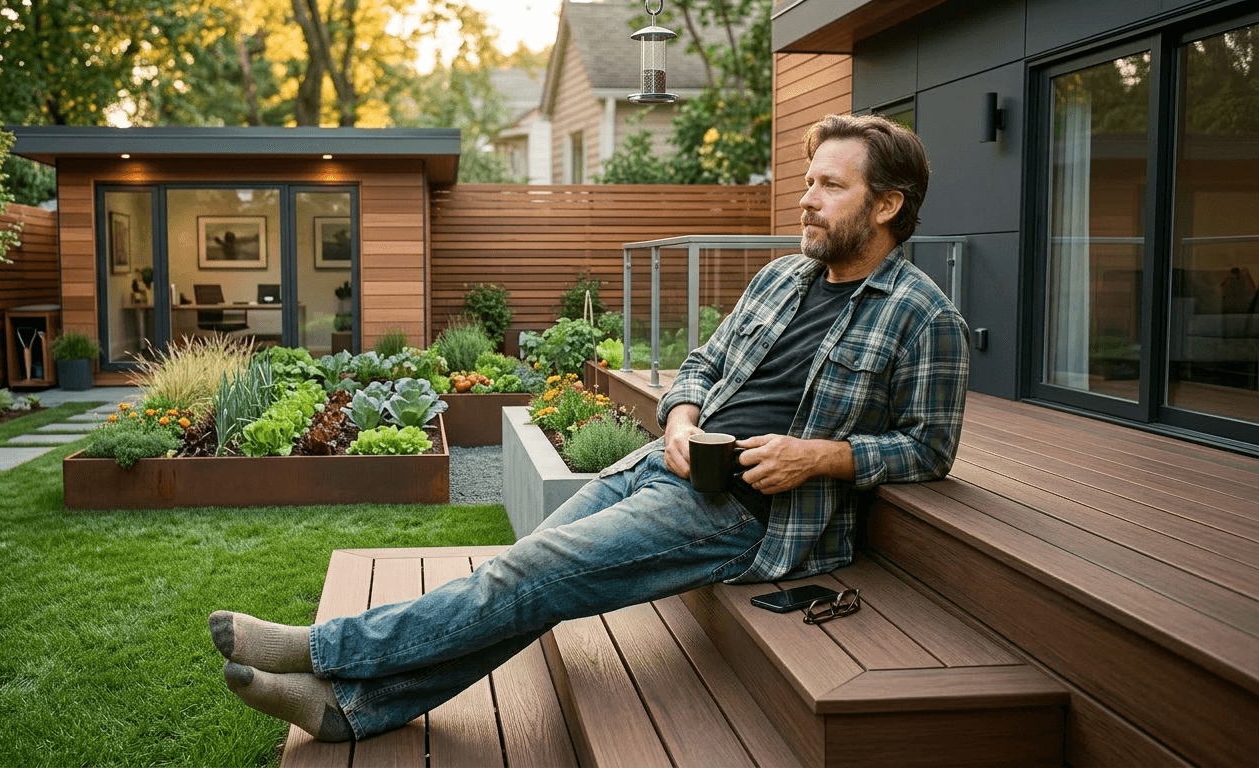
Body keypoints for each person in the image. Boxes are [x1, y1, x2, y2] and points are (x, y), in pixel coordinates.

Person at [207, 113, 971, 742]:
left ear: (886, 205)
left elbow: (929, 447)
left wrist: (821, 456)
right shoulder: (781, 276)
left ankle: (321, 648)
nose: (805, 199)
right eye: (807, 181)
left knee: (519, 577)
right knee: (530, 579)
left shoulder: (924, 316)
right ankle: (350, 711)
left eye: (829, 186)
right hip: (665, 465)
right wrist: (680, 416)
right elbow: (703, 361)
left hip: (741, 514)